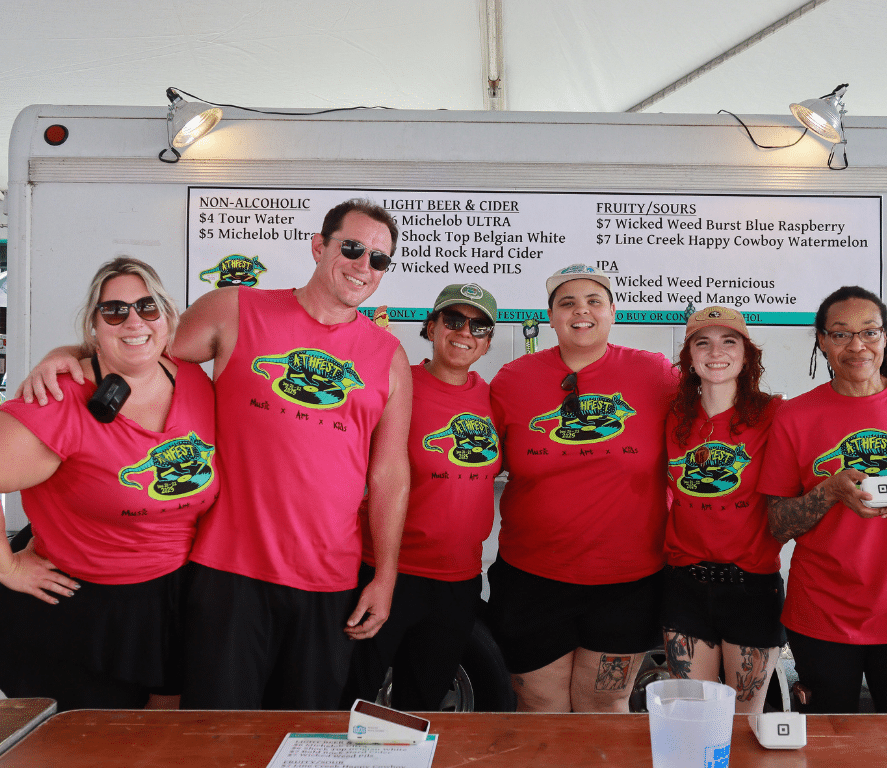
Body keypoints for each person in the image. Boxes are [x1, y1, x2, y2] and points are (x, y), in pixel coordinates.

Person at [17, 198, 413, 710]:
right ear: (319, 247)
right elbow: (142, 345)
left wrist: (385, 576)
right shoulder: (235, 309)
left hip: (329, 579)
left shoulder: (389, 357)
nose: (363, 265)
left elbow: (390, 474)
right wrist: (67, 353)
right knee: (214, 733)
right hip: (229, 573)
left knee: (305, 731)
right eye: (352, 248)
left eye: (379, 259)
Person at [0, 257, 219, 710]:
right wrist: (7, 568)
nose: (134, 321)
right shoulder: (60, 399)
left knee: (163, 738)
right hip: (84, 612)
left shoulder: (194, 379)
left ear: (167, 318)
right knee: (88, 740)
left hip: (176, 600)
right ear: (94, 326)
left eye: (147, 307)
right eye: (115, 311)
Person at [758, 285, 887, 714]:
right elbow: (777, 524)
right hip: (820, 611)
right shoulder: (795, 415)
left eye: (869, 331)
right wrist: (829, 491)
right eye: (840, 334)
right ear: (822, 341)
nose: (857, 345)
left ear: (886, 337)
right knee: (827, 739)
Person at [487, 263, 676, 712]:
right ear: (551, 317)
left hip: (627, 582)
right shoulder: (512, 380)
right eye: (567, 303)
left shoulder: (656, 375)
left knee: (604, 708)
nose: (581, 311)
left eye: (594, 301)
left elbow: (715, 422)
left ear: (613, 313)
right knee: (539, 706)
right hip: (533, 579)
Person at [344, 283, 501, 711]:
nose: (464, 332)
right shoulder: (396, 382)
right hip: (384, 571)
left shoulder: (493, 399)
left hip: (458, 582)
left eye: (479, 326)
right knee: (351, 701)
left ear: (488, 343)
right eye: (453, 320)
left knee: (423, 708)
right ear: (431, 327)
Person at [662, 305, 784, 714]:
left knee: (745, 719)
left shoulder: (773, 414)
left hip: (752, 586)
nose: (716, 352)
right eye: (703, 343)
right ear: (689, 357)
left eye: (729, 342)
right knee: (691, 713)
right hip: (684, 584)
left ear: (746, 356)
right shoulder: (673, 417)